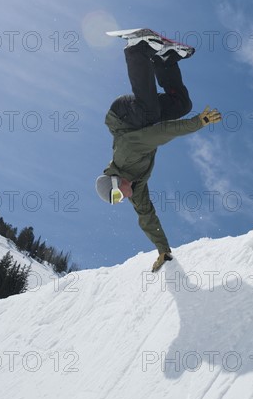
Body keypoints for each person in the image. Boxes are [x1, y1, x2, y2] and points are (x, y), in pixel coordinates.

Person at [95, 33, 222, 272]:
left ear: (116, 181)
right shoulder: (136, 188)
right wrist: (163, 250)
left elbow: (160, 133)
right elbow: (147, 218)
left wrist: (198, 123)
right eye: (117, 200)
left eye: (116, 196)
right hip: (143, 121)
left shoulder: (126, 154)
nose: (122, 199)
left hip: (123, 115)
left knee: (151, 114)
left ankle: (136, 50)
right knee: (182, 105)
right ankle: (165, 60)